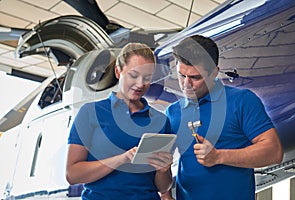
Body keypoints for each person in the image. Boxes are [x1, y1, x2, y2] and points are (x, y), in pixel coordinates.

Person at [165, 35, 283, 200]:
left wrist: (219, 156)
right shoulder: (172, 112)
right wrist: (165, 194)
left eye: (195, 77)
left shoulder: (242, 101)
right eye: (181, 75)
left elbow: (274, 152)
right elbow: (161, 166)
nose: (186, 84)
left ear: (214, 72)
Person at [66, 43, 173, 200]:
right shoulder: (90, 113)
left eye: (147, 78)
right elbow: (72, 174)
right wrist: (121, 159)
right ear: (118, 71)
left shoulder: (161, 121)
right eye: (134, 75)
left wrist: (163, 171)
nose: (140, 84)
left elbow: (163, 187)